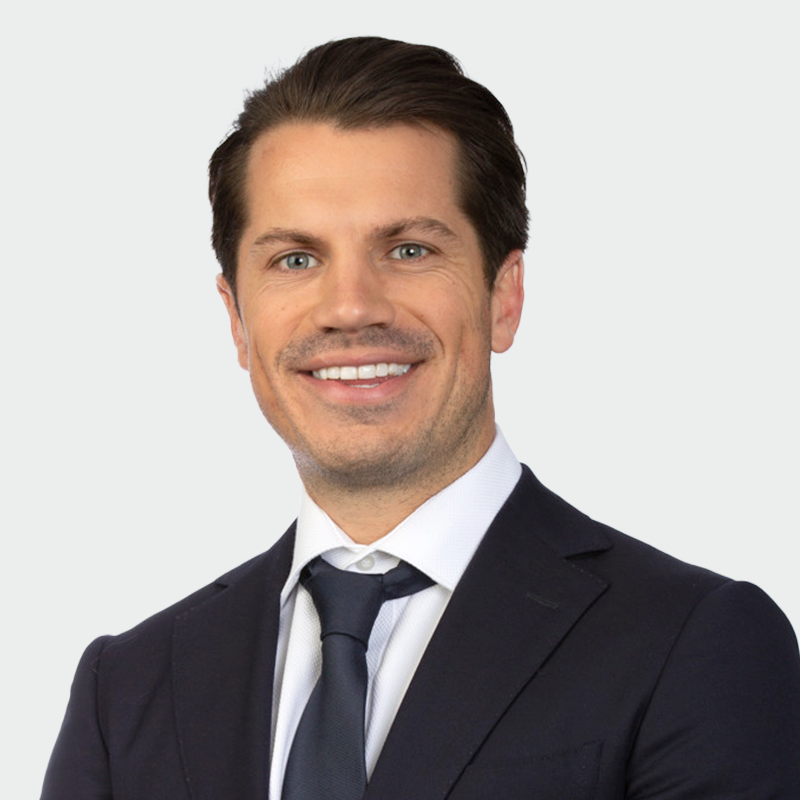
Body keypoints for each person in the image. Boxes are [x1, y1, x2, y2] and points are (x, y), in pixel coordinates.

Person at [41, 37, 800, 800]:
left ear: (504, 296)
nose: (350, 308)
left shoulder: (692, 644)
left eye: (407, 249)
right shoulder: (130, 686)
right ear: (237, 320)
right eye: (295, 260)